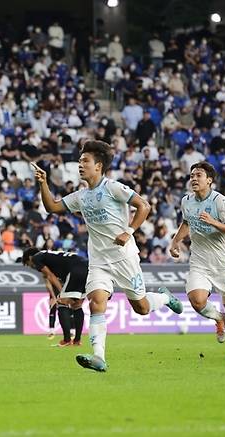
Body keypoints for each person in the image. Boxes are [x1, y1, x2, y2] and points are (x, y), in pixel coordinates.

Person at [32, 140, 183, 372]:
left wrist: (129, 231)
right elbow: (52, 207)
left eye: (85, 161)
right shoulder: (80, 196)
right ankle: (99, 357)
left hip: (124, 257)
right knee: (96, 302)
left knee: (141, 308)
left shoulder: (113, 187)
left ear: (98, 166)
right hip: (99, 260)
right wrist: (43, 183)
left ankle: (164, 298)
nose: (80, 165)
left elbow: (144, 206)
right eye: (80, 161)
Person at [169, 162, 225, 361]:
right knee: (197, 300)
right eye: (192, 175)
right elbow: (187, 222)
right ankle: (219, 319)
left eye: (198, 175)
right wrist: (176, 241)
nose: (193, 178)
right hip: (199, 261)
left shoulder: (220, 201)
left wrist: (212, 222)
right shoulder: (187, 201)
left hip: (222, 263)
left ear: (209, 180)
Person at [22, 247, 86, 347]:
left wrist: (61, 293)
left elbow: (50, 276)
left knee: (61, 303)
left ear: (30, 258)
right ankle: (77, 341)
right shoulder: (49, 255)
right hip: (87, 266)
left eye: (29, 264)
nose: (32, 266)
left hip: (76, 269)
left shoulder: (36, 258)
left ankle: (67, 340)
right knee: (77, 305)